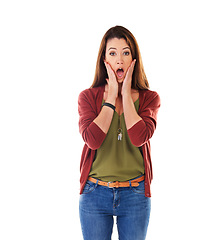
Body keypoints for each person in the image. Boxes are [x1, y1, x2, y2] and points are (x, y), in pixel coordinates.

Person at [78, 25, 161, 240]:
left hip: (135, 194)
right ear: (104, 59)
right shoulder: (88, 97)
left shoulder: (150, 98)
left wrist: (125, 93)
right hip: (95, 194)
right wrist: (111, 95)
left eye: (126, 52)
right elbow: (93, 140)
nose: (119, 60)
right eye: (112, 53)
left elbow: (138, 137)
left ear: (134, 58)